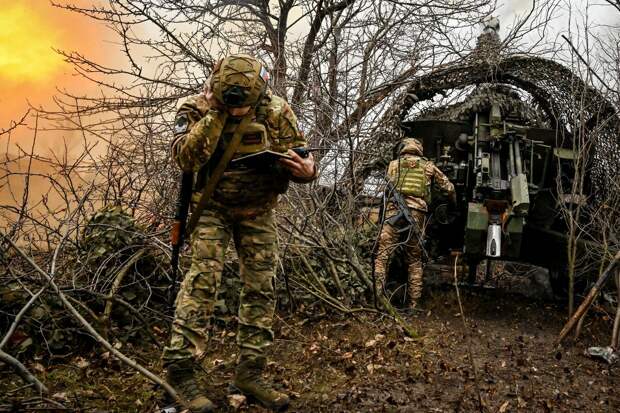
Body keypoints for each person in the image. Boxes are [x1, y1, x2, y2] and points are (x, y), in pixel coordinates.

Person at [163, 54, 317, 412]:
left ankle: (250, 372)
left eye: (244, 104)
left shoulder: (276, 110)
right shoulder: (195, 108)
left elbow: (303, 158)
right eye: (232, 102)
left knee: (262, 287)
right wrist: (216, 114)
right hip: (211, 209)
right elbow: (185, 159)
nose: (239, 110)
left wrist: (307, 171)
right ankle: (180, 375)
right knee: (202, 284)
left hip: (258, 211)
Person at [374, 138, 455, 309]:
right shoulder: (428, 166)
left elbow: (387, 189)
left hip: (393, 212)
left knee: (383, 255)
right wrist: (451, 203)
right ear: (419, 149)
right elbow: (449, 187)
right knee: (414, 260)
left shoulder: (393, 164)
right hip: (417, 214)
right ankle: (413, 304)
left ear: (404, 148)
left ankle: (378, 299)